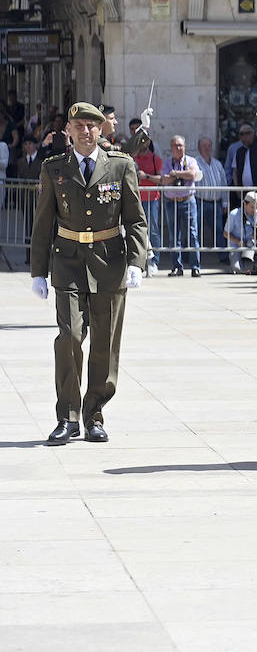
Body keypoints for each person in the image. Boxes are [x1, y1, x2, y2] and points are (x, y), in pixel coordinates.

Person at [29, 102, 149, 444]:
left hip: (109, 263)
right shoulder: (55, 168)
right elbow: (42, 223)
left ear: (100, 131)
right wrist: (38, 271)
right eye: (79, 126)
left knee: (104, 345)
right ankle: (67, 416)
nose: (85, 132)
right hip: (67, 262)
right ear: (68, 130)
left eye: (91, 126)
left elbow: (136, 219)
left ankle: (94, 413)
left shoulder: (120, 166)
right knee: (69, 337)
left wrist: (137, 262)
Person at [159, 135, 203, 277]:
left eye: (180, 145)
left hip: (188, 200)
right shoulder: (167, 163)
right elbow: (165, 180)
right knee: (173, 235)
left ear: (184, 147)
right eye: (175, 145)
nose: (178, 148)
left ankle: (195, 266)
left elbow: (192, 174)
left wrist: (176, 174)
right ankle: (177, 267)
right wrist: (180, 175)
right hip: (171, 202)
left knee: (192, 233)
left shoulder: (191, 160)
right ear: (171, 148)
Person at [132, 125, 163, 274]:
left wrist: (147, 177)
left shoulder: (155, 158)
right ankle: (141, 260)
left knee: (153, 230)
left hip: (151, 199)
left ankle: (154, 261)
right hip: (136, 199)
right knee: (138, 231)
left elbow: (162, 179)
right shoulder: (132, 158)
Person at [197, 136, 229, 262]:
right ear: (199, 148)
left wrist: (225, 202)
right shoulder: (195, 163)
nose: (207, 148)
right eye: (204, 145)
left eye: (209, 145)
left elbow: (223, 183)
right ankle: (192, 257)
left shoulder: (217, 163)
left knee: (219, 230)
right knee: (195, 230)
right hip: (199, 201)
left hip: (216, 203)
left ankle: (223, 256)